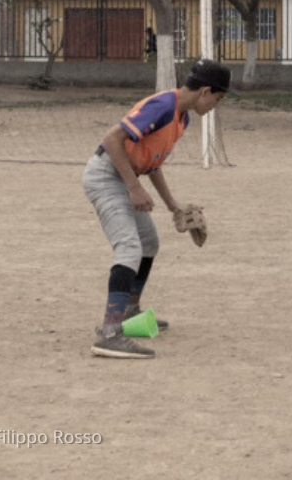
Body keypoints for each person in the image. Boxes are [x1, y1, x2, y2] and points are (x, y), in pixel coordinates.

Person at [83, 58, 235, 359]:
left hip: (125, 175)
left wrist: (173, 207)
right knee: (128, 246)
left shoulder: (182, 117)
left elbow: (152, 164)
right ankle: (110, 334)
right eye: (217, 98)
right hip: (106, 176)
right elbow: (112, 138)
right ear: (205, 91)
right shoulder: (164, 106)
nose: (215, 105)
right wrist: (133, 187)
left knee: (149, 243)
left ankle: (128, 312)